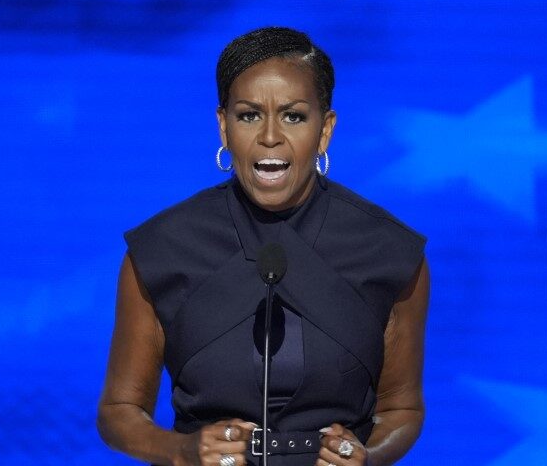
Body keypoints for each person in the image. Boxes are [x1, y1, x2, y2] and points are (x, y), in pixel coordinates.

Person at [97, 26, 430, 466]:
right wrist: (181, 451)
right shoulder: (162, 249)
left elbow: (402, 410)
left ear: (325, 130)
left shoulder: (389, 251)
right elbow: (119, 412)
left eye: (294, 116)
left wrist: (366, 456)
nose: (270, 136)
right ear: (223, 126)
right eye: (249, 115)